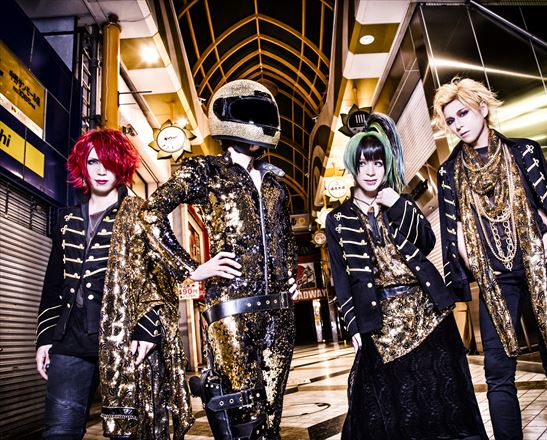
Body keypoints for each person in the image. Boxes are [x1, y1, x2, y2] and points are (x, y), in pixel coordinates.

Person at [432, 77, 547, 440]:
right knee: (497, 369)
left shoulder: (523, 151)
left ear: (483, 109)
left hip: (540, 263)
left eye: (463, 113)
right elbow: (456, 229)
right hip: (495, 278)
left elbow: (546, 200)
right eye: (451, 119)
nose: (458, 124)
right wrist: (476, 267)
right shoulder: (449, 172)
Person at [139, 79, 299, 440]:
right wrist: (192, 268)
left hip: (280, 314)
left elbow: (285, 237)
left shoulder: (276, 185)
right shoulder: (205, 170)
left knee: (270, 420)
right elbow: (151, 212)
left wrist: (290, 276)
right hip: (230, 311)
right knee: (244, 418)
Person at [325, 113, 487, 439]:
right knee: (391, 407)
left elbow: (427, 241)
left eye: (377, 163)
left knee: (444, 399)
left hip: (427, 312)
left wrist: (398, 204)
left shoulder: (399, 201)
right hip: (380, 322)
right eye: (363, 163)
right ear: (352, 166)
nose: (371, 171)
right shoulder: (338, 219)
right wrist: (353, 325)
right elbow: (341, 278)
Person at [35, 129, 192, 439]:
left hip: (124, 342)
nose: (101, 170)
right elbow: (53, 284)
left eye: (109, 162)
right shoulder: (66, 219)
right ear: (82, 165)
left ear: (122, 166)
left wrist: (147, 329)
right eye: (93, 161)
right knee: (59, 431)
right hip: (70, 341)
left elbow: (156, 277)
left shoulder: (141, 215)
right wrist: (45, 338)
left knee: (127, 432)